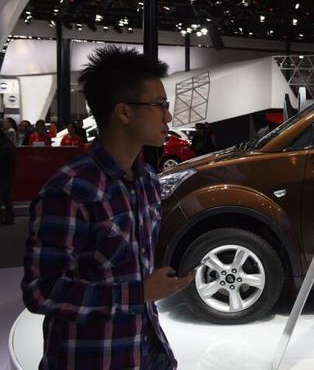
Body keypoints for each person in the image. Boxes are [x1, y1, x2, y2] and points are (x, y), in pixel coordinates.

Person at [22, 46, 195, 369]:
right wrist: (138, 293)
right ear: (124, 112)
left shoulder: (147, 180)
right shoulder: (71, 190)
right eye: (159, 105)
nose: (168, 117)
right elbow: (42, 291)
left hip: (144, 349)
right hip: (91, 357)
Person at [0, 127, 16, 225]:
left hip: (2, 173)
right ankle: (10, 218)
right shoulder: (9, 144)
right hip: (8, 173)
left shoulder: (3, 147)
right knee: (7, 197)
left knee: (5, 196)